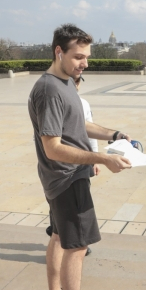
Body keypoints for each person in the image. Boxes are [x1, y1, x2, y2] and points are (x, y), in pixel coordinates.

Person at [28, 24, 132, 290]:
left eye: (86, 56)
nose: (84, 63)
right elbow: (53, 146)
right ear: (58, 52)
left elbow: (79, 125)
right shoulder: (49, 90)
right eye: (78, 56)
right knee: (77, 246)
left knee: (60, 237)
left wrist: (113, 135)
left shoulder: (65, 82)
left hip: (63, 178)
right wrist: (103, 159)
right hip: (67, 180)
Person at [45, 74, 99, 255]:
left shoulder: (81, 103)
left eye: (77, 82)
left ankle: (54, 284)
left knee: (57, 233)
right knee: (75, 244)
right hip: (69, 173)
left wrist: (95, 157)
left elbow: (88, 131)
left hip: (60, 173)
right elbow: (51, 142)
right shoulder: (53, 97)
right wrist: (101, 158)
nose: (75, 86)